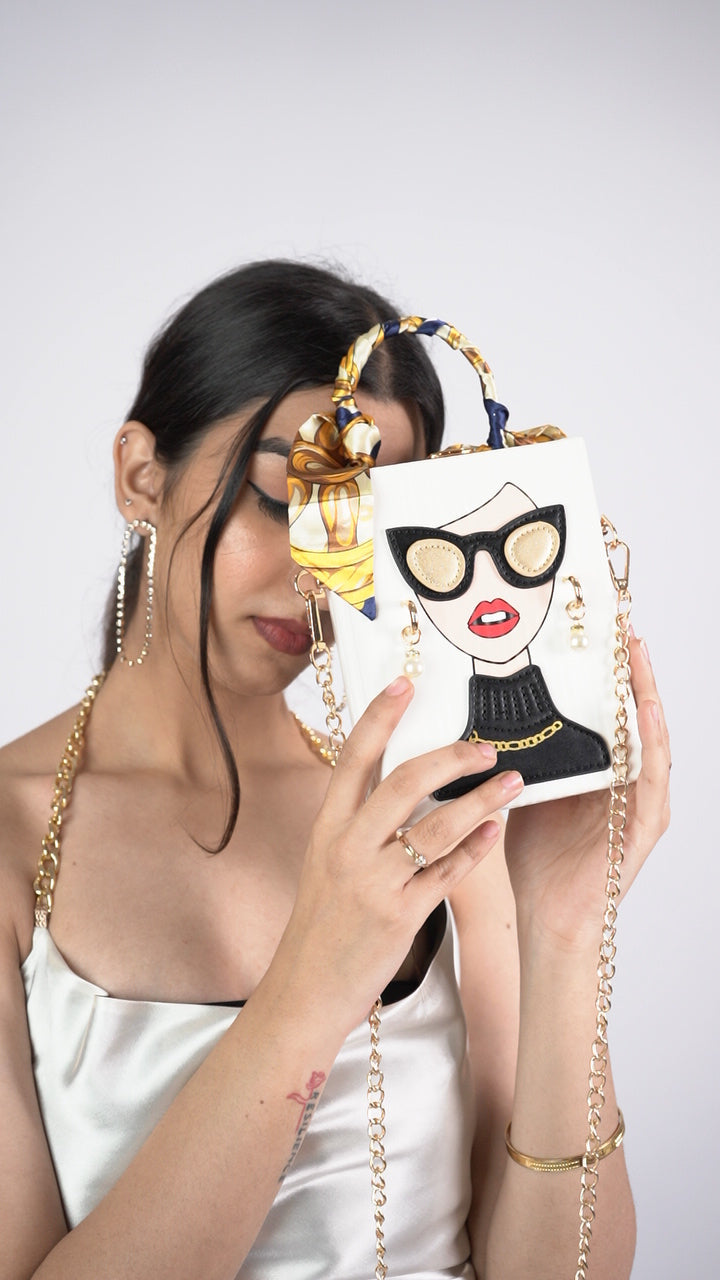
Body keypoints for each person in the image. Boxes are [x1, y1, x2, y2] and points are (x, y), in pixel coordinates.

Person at [0, 260, 670, 1280]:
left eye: (373, 526)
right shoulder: (13, 835)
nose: (323, 574)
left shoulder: (430, 809)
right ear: (141, 475)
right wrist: (317, 978)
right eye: (285, 498)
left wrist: (567, 931)